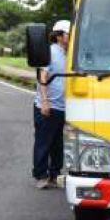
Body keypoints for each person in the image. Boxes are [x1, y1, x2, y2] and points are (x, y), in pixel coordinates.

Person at [33, 20, 70, 189]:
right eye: (69, 34)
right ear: (60, 35)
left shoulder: (68, 54)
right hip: (48, 106)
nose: (71, 37)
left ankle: (55, 174)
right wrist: (45, 102)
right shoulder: (49, 52)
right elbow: (43, 77)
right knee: (43, 142)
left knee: (57, 143)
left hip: (62, 107)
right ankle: (41, 175)